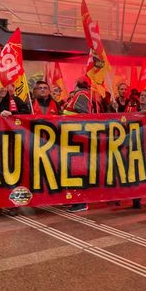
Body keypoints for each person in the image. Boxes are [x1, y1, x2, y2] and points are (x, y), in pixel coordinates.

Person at [0, 85, 29, 217]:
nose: (3, 89)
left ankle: (14, 204)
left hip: (13, 144)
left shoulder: (15, 100)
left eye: (5, 87)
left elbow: (28, 115)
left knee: (13, 175)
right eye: (0, 87)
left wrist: (12, 115)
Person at [63, 77, 96, 212]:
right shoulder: (83, 95)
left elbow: (84, 116)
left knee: (78, 171)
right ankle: (76, 199)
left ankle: (81, 202)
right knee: (74, 171)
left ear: (76, 84)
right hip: (75, 138)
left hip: (78, 138)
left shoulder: (81, 95)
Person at [131, 89, 146, 209]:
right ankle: (136, 199)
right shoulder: (132, 111)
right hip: (134, 145)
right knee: (135, 173)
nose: (143, 97)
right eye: (141, 95)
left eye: (145, 96)